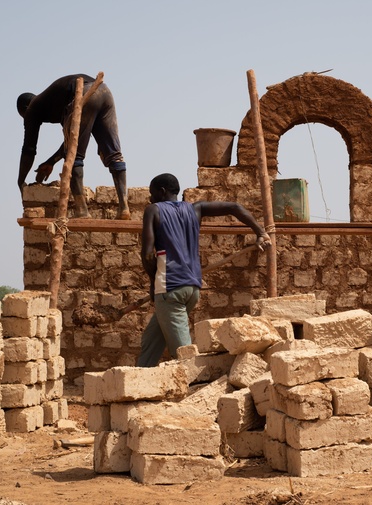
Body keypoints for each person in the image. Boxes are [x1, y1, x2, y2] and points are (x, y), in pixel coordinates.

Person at [136, 173, 271, 367]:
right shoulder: (195, 209)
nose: (150, 198)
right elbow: (235, 207)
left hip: (170, 287)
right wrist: (260, 232)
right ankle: (140, 377)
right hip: (192, 288)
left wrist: (153, 282)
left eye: (152, 194)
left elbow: (148, 254)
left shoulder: (153, 210)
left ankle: (194, 387)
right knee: (151, 339)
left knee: (184, 355)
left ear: (162, 191)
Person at [17, 73, 131, 220]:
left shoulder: (32, 108)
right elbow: (71, 140)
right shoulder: (54, 103)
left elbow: (29, 149)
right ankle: (124, 208)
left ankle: (82, 210)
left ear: (25, 108)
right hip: (104, 91)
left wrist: (21, 180)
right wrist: (51, 162)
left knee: (75, 156)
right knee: (114, 155)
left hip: (82, 92)